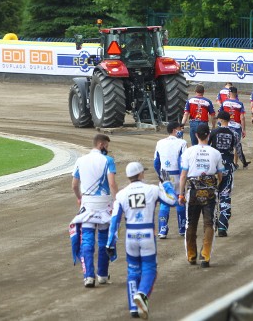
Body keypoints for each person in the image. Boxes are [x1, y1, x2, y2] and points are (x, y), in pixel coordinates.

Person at [106, 162, 176, 319]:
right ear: (140, 174)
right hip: (147, 235)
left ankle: (133, 307)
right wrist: (167, 184)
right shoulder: (152, 189)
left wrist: (110, 242)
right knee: (150, 269)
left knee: (133, 270)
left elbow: (115, 220)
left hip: (130, 236)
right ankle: (142, 294)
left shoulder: (121, 194)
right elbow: (173, 201)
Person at [71, 134, 118, 287]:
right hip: (104, 204)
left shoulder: (80, 160)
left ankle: (88, 276)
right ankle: (103, 275)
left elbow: (74, 185)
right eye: (107, 146)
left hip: (88, 204)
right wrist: (116, 200)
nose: (107, 149)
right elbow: (111, 184)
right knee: (104, 239)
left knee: (87, 239)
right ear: (101, 144)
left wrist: (79, 198)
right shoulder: (108, 161)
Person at [179, 123, 224, 267]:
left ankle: (191, 256)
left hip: (192, 190)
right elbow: (220, 175)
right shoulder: (215, 153)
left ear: (196, 135)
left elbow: (183, 175)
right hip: (210, 190)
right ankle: (205, 256)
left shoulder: (188, 152)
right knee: (209, 223)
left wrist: (181, 194)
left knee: (190, 223)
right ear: (208, 135)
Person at [153, 121, 188, 239]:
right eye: (179, 129)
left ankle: (162, 230)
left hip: (164, 174)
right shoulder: (182, 142)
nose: (181, 130)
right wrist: (184, 176)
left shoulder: (159, 142)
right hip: (177, 174)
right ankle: (182, 228)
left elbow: (156, 162)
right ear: (174, 130)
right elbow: (182, 161)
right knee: (180, 199)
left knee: (164, 202)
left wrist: (160, 175)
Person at [208, 111, 237, 237]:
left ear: (220, 119)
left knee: (213, 196)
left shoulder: (213, 132)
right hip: (228, 166)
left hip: (214, 167)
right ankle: (222, 226)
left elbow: (207, 148)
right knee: (225, 195)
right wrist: (238, 163)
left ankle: (213, 224)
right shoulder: (234, 133)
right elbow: (238, 149)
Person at [219, 86, 250, 168]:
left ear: (229, 93)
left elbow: (220, 114)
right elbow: (242, 118)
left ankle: (225, 161)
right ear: (236, 93)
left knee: (225, 143)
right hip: (236, 127)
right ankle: (235, 163)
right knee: (236, 145)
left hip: (226, 125)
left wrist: (220, 124)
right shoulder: (240, 104)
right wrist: (244, 129)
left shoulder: (224, 103)